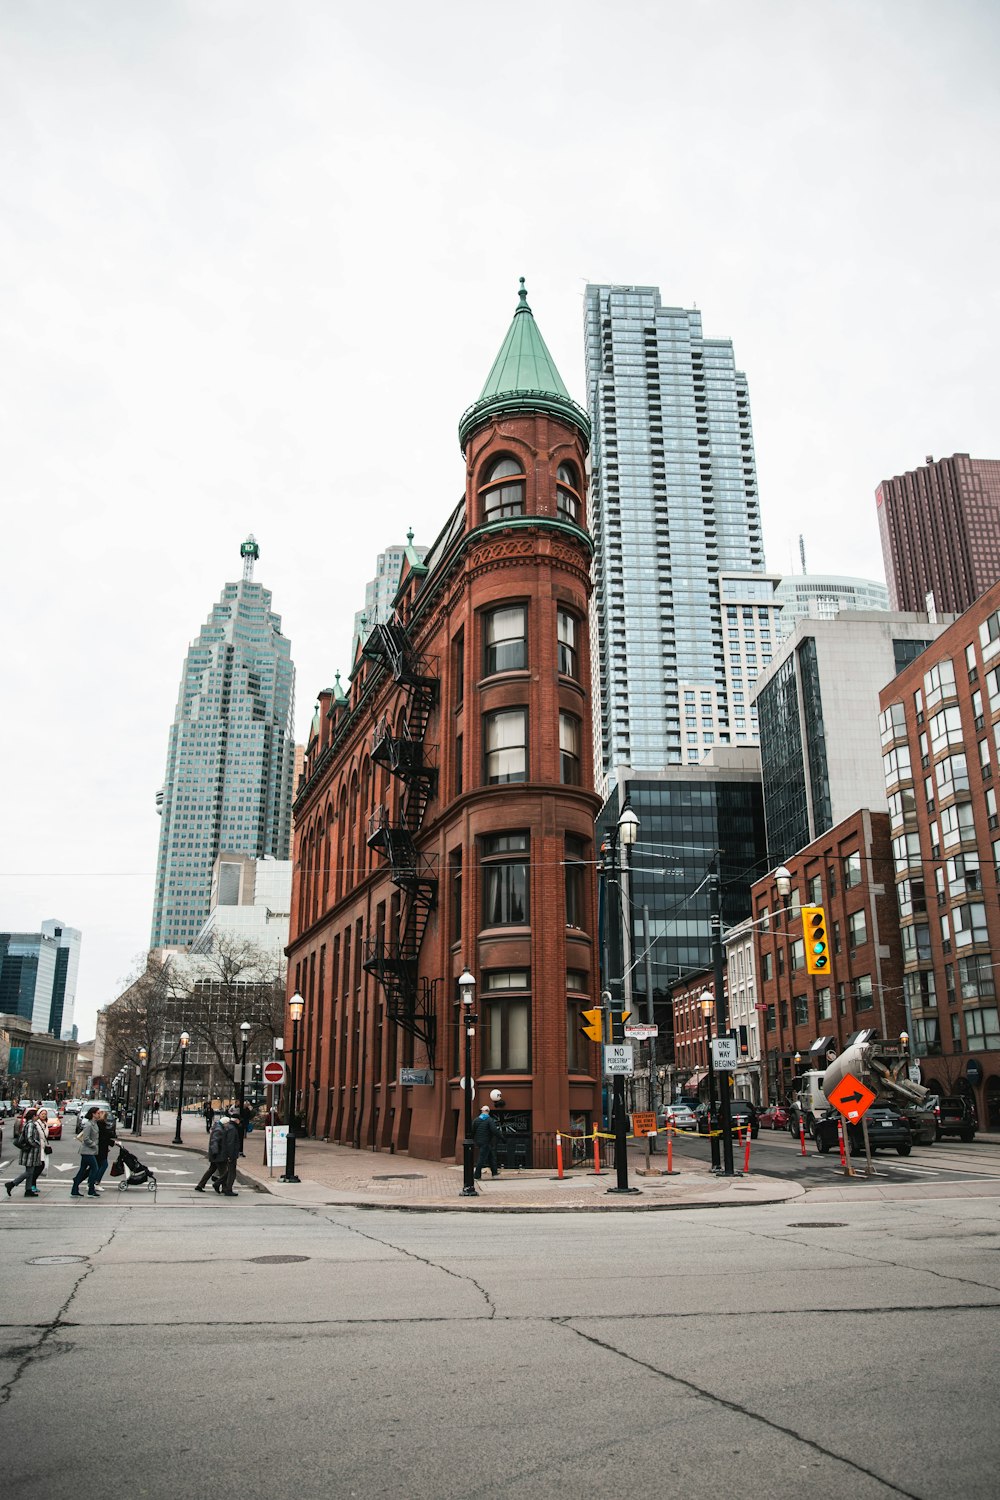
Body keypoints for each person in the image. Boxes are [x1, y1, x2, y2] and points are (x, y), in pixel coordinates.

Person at [6, 1107, 46, 1197]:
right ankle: (12, 1184)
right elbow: (29, 1138)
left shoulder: (30, 1124)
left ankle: (28, 1190)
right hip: (30, 1152)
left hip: (30, 1152)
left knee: (30, 1171)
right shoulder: (31, 1125)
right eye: (36, 1116)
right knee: (29, 1172)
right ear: (33, 1116)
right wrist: (37, 1144)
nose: (37, 1117)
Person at [71, 1107, 101, 1198]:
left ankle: (74, 1189)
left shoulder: (94, 1123)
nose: (99, 1114)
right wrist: (94, 1145)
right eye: (98, 1113)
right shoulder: (88, 1125)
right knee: (94, 1169)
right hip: (87, 1151)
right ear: (93, 1114)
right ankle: (91, 1190)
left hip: (91, 1151)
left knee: (82, 1170)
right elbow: (86, 1138)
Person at [471, 1103, 501, 1180]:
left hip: (479, 1141)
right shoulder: (489, 1120)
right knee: (482, 1158)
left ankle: (494, 1172)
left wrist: (474, 1140)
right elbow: (494, 1130)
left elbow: (472, 1131)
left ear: (482, 1111)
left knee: (491, 1157)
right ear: (488, 1111)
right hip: (486, 1142)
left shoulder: (476, 1120)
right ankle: (477, 1175)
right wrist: (502, 1138)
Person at [93, 1109, 117, 1188]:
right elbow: (104, 1138)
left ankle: (91, 1182)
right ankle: (96, 1182)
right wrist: (113, 1143)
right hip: (101, 1148)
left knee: (97, 1166)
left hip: (100, 1148)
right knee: (104, 1165)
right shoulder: (101, 1125)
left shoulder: (98, 1124)